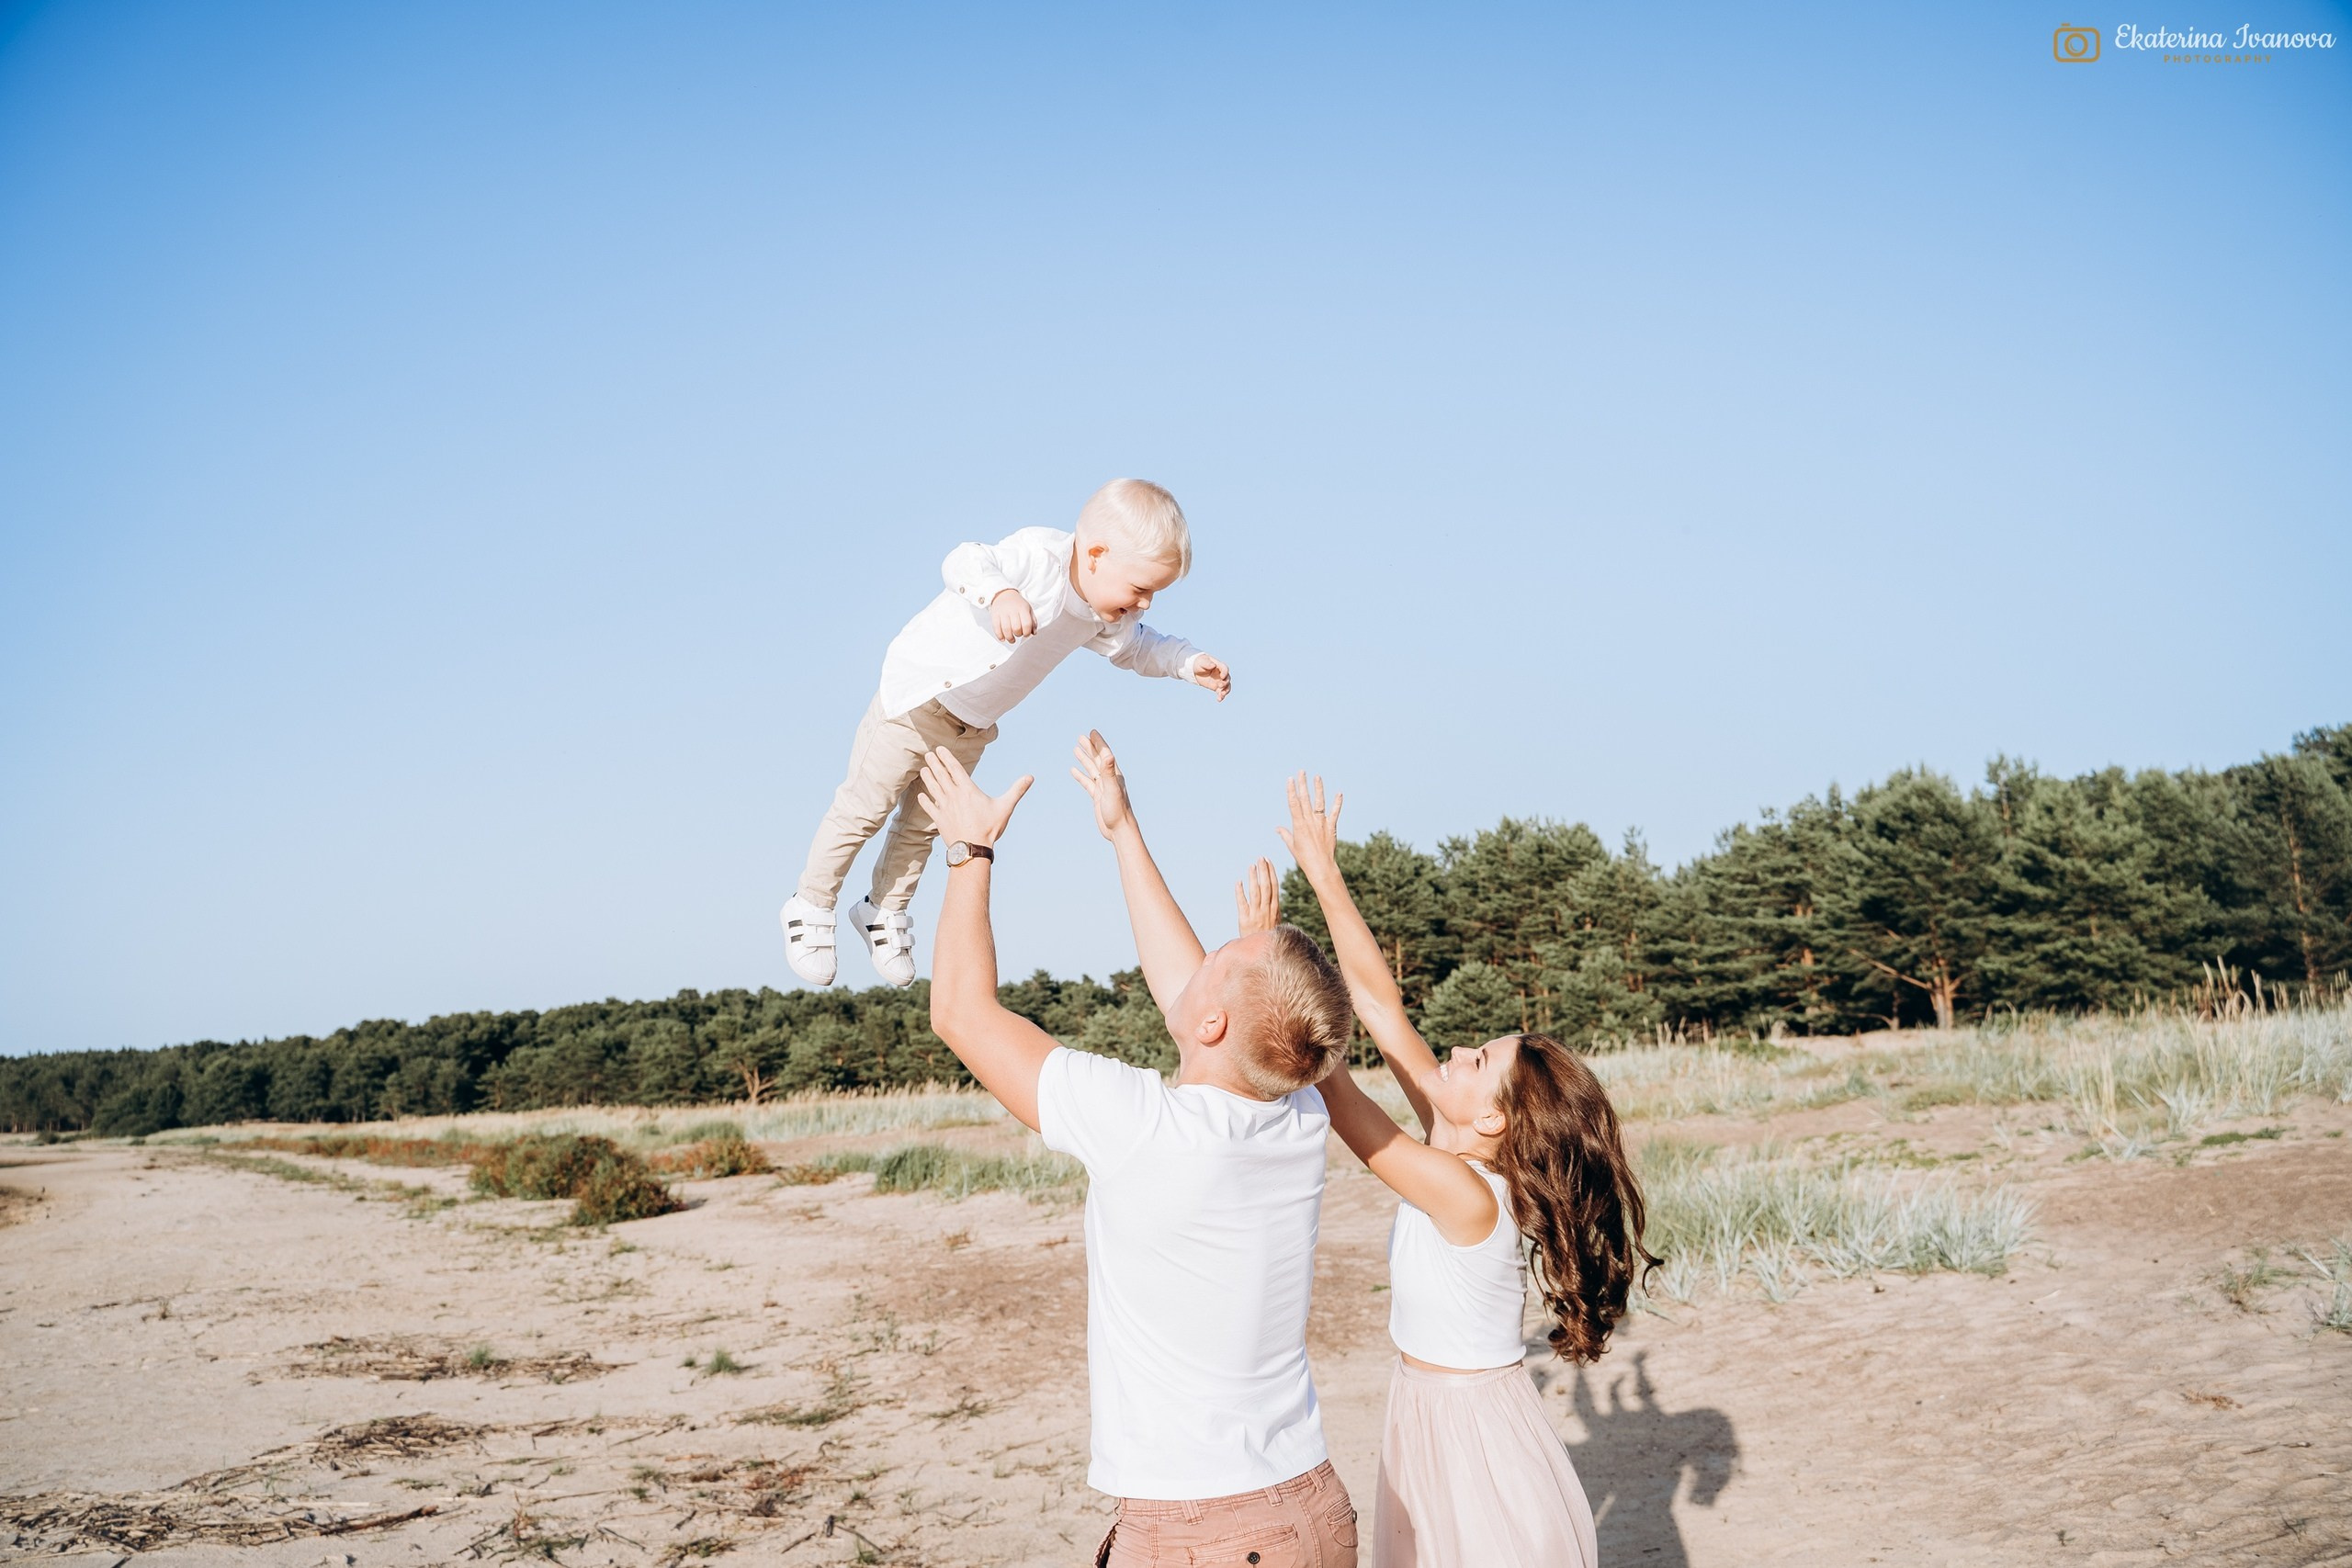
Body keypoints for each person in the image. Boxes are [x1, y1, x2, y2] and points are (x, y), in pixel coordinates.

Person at [916, 733, 1361, 1568]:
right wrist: (1122, 829)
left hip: (1204, 1533)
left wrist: (969, 850)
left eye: (1221, 954)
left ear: (1214, 1023)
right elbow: (1192, 999)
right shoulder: (1299, 1116)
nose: (1202, 954)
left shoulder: (1142, 1126)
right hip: (1312, 1506)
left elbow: (961, 1014)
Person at [1250, 773, 1658, 1568]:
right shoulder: (1456, 1136)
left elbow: (1350, 1111)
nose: (1461, 1051)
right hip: (1429, 1409)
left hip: (1470, 1430)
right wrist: (1325, 874)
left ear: (1496, 1119)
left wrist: (1280, 983)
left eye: (1481, 1060)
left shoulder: (1468, 1194)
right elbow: (1377, 1007)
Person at [781, 479, 1231, 988]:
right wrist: (1001, 592)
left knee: (923, 827)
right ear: (1097, 555)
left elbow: (1141, 649)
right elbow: (963, 560)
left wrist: (1189, 663)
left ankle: (883, 909)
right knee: (864, 808)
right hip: (915, 701)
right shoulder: (1038, 556)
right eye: (1141, 588)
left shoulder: (1110, 619)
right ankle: (812, 903)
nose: (1145, 604)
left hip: (970, 728)